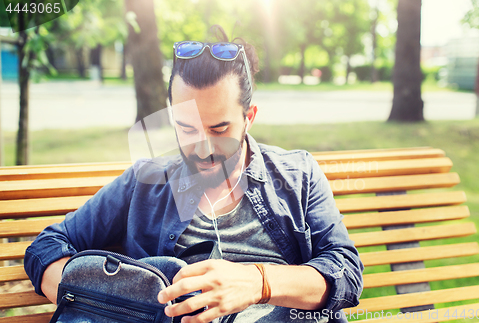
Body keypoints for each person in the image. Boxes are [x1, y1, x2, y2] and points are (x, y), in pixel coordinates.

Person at [24, 25, 363, 323]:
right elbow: (46, 249)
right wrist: (111, 303)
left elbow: (347, 273)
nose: (201, 149)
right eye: (186, 128)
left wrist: (257, 282)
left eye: (219, 128)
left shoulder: (298, 174)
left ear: (249, 117)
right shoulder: (144, 182)